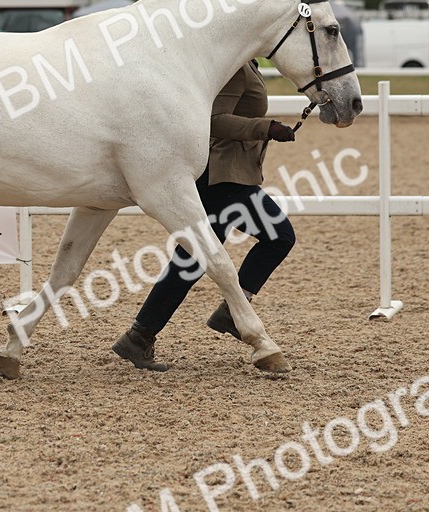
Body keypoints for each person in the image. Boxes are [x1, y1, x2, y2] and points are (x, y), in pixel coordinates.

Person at [112, 60, 298, 374]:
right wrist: (265, 128)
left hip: (230, 175)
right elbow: (214, 121)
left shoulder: (246, 63)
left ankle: (139, 336)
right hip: (222, 176)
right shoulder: (234, 68)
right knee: (278, 237)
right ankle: (233, 311)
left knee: (192, 260)